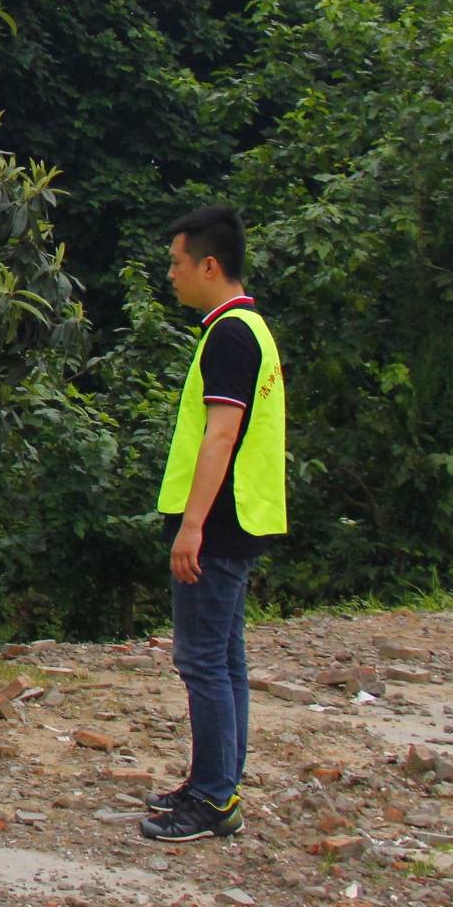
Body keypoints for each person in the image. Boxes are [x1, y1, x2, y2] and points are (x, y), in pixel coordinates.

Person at [142, 205, 287, 844]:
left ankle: (213, 798)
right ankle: (216, 782)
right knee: (225, 660)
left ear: (208, 265)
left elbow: (220, 434)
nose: (170, 274)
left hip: (220, 523)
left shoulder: (229, 335)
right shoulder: (250, 329)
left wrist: (191, 526)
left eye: (176, 263)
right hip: (244, 517)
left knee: (202, 660)